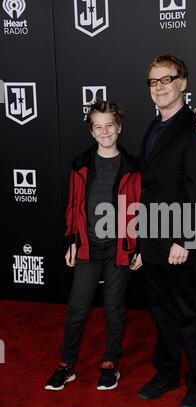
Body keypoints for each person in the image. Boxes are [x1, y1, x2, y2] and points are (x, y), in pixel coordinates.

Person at [131, 55, 196, 407]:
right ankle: (166, 373)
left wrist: (184, 238)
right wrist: (140, 240)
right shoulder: (153, 127)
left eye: (167, 79)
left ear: (183, 83)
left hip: (180, 237)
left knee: (189, 313)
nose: (159, 87)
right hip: (151, 234)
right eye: (153, 81)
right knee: (160, 310)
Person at [45, 99, 141, 391]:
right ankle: (66, 364)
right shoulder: (80, 164)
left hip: (119, 249)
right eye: (98, 127)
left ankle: (110, 363)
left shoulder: (134, 167)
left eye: (109, 125)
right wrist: (71, 240)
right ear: (91, 131)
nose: (104, 131)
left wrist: (140, 247)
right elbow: (73, 207)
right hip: (87, 246)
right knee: (77, 307)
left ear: (119, 127)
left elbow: (140, 209)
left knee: (114, 307)